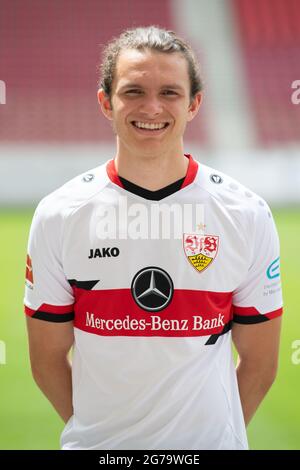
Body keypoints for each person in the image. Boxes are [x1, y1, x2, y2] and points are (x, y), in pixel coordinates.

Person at [24, 26, 283, 450]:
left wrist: (214, 439)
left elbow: (261, 364)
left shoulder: (246, 214)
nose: (151, 107)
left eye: (169, 92)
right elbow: (46, 360)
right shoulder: (60, 214)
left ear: (194, 103)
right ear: (105, 102)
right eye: (133, 91)